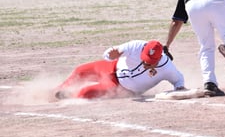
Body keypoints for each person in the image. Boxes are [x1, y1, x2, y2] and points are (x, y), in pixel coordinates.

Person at [54, 40, 186, 99]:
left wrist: (179, 88)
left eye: (150, 62)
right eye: (144, 58)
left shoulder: (167, 67)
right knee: (80, 71)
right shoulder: (136, 46)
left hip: (120, 88)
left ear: (159, 59)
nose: (146, 62)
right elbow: (109, 54)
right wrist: (110, 55)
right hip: (112, 67)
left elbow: (178, 79)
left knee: (86, 92)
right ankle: (56, 91)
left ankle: (70, 97)